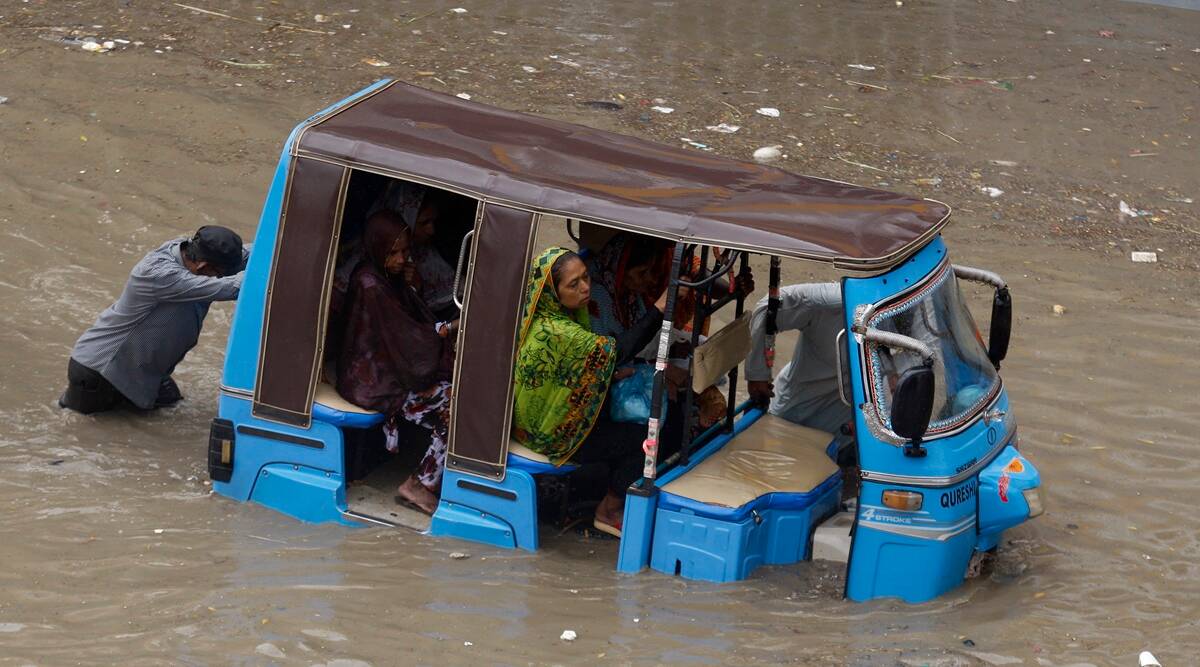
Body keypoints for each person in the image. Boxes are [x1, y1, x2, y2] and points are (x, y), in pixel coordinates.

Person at [512, 247, 683, 538]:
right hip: (548, 432)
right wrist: (660, 308)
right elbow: (617, 351)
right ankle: (609, 509)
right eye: (573, 284)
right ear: (553, 292)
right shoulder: (556, 330)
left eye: (586, 277)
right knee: (647, 441)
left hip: (556, 415)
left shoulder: (567, 316)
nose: (585, 287)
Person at [336, 210, 457, 514]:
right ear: (378, 248)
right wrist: (447, 330)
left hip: (388, 369)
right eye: (395, 252)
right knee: (454, 409)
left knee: (455, 393)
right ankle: (419, 484)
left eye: (405, 251)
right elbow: (407, 339)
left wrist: (411, 286)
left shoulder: (386, 277)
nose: (402, 258)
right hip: (373, 380)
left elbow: (409, 323)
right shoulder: (371, 284)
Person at [61, 226, 250, 414]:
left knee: (170, 413)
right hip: (102, 372)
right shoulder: (160, 274)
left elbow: (252, 255)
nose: (222, 276)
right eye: (221, 273)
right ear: (203, 267)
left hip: (143, 372)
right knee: (87, 430)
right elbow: (236, 287)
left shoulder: (194, 255)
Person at [745, 283, 854, 460]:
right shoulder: (831, 302)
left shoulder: (908, 312)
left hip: (848, 433)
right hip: (793, 413)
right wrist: (757, 374)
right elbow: (769, 308)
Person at [370, 181, 459, 319]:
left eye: (433, 222)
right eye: (424, 223)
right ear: (406, 218)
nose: (431, 230)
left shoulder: (427, 254)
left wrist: (417, 288)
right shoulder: (367, 276)